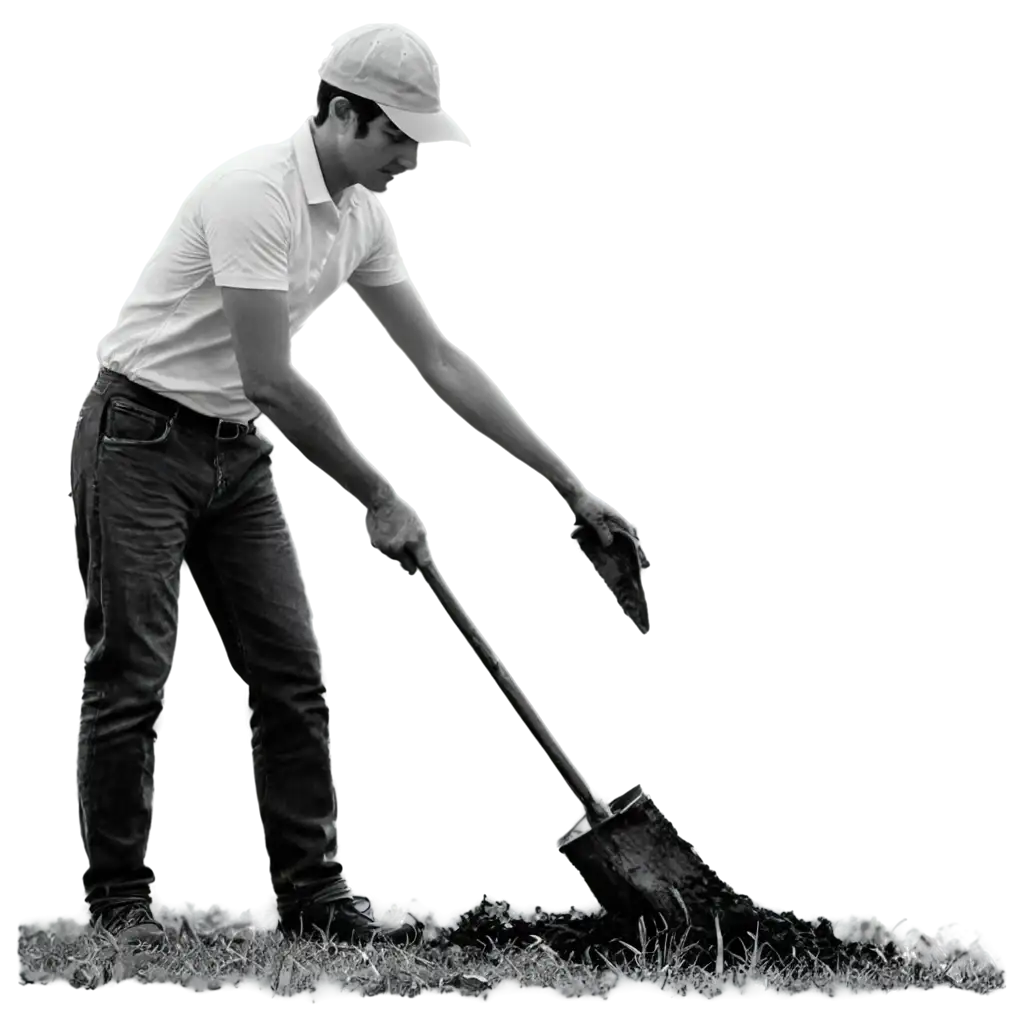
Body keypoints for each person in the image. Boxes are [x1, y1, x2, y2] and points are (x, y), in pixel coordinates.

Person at [70, 20, 638, 948]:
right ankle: (119, 903)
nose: (412, 154)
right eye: (399, 135)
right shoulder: (253, 193)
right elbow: (271, 377)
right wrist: (379, 494)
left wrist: (567, 486)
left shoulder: (362, 218)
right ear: (341, 114)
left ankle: (317, 900)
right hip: (142, 434)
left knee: (291, 675)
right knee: (131, 676)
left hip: (234, 449)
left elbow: (442, 361)